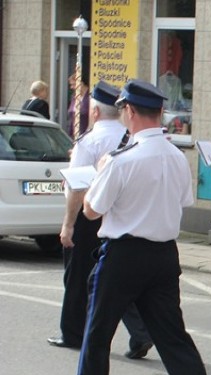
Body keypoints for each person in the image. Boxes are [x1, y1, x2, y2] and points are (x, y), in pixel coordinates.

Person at [56, 80, 211, 375]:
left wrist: (100, 171)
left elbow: (92, 209)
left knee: (97, 334)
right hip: (164, 254)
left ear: (129, 111)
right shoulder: (176, 157)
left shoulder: (122, 160)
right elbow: (183, 202)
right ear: (159, 113)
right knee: (174, 338)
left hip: (123, 255)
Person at [48, 81, 153, 360]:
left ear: (94, 111)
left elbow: (76, 188)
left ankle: (72, 332)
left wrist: (68, 224)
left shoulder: (89, 141)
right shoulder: (131, 136)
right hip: (121, 214)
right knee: (114, 277)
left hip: (89, 214)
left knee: (77, 275)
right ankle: (141, 331)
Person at [67, 71, 90, 138]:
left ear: (81, 84)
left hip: (87, 136)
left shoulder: (90, 97)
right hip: (74, 136)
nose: (71, 87)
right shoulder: (74, 97)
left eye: (73, 84)